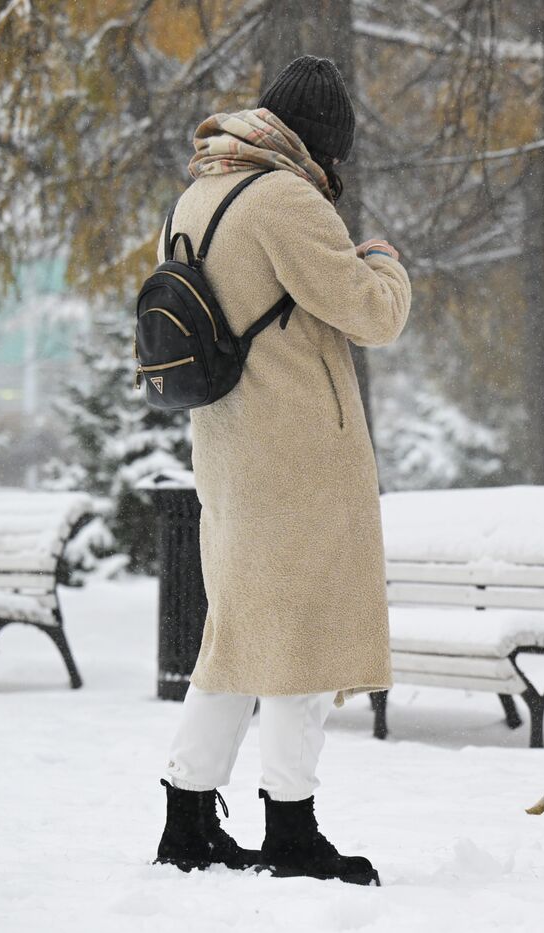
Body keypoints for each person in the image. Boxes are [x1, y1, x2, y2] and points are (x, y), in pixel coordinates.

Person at [151, 56, 411, 886]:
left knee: (236, 641)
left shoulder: (193, 198)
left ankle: (186, 819)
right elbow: (371, 314)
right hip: (297, 460)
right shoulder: (286, 201)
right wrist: (383, 258)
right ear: (322, 143)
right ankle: (292, 832)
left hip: (227, 456)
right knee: (302, 644)